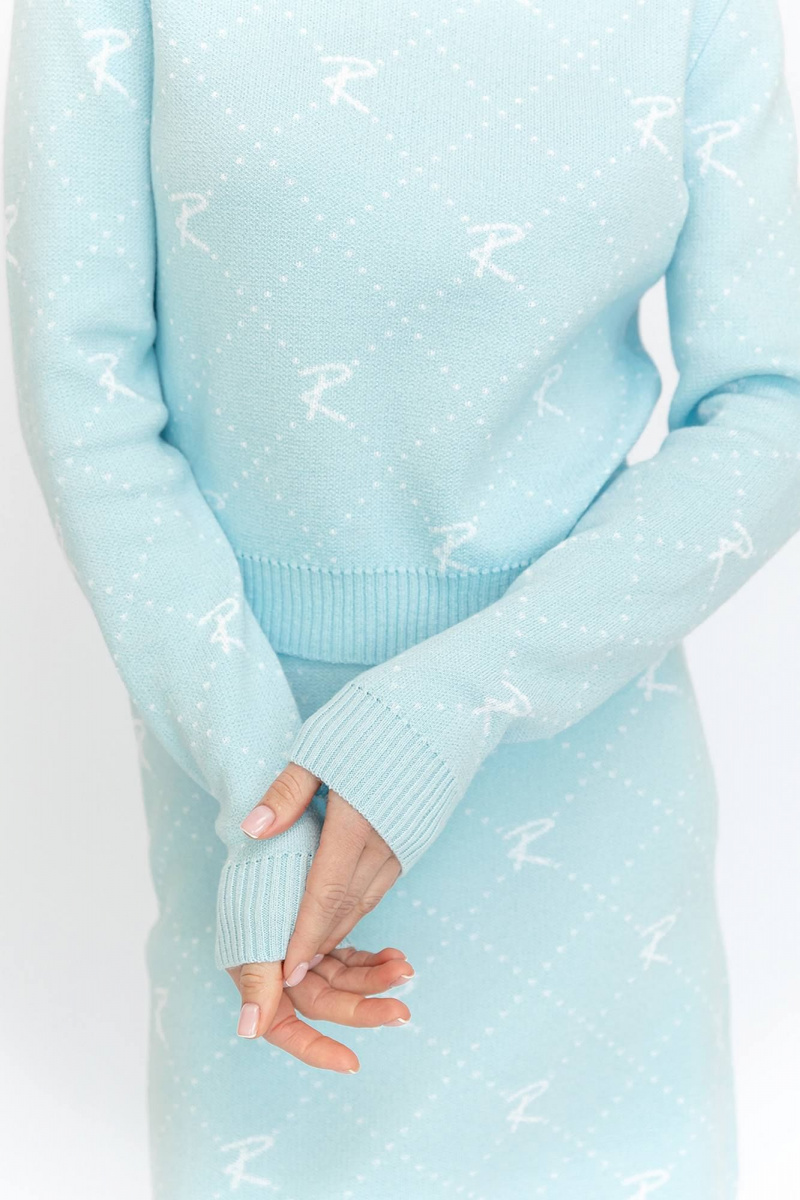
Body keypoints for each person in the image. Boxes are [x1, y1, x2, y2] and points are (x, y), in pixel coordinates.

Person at [5, 0, 800, 1195]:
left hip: (593, 843)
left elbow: (769, 403)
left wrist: (451, 706)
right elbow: (87, 401)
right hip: (258, 817)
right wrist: (256, 798)